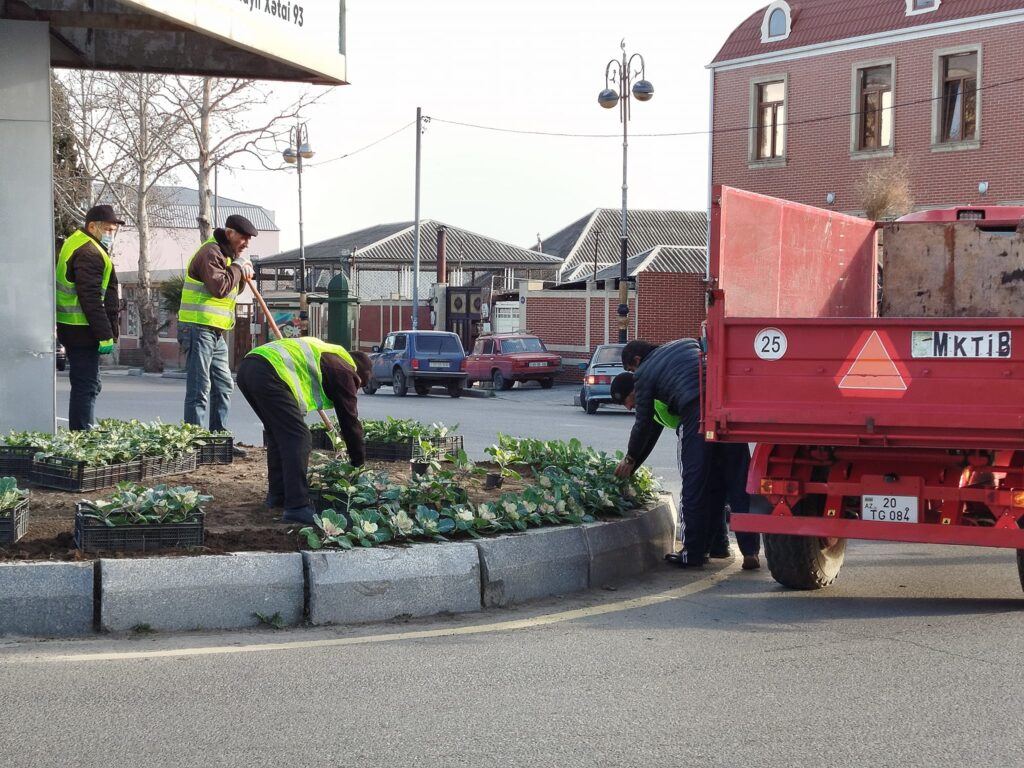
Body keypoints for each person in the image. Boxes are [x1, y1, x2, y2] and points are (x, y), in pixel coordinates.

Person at [610, 356, 761, 570]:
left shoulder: (648, 387)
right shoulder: (669, 368)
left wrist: (630, 459)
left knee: (694, 486)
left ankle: (694, 551)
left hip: (696, 422)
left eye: (626, 402)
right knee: (732, 484)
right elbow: (650, 436)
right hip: (723, 411)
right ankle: (744, 549)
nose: (629, 408)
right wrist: (633, 465)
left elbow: (645, 429)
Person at [236, 336, 373, 525]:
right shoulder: (344, 371)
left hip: (249, 368)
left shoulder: (328, 354)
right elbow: (350, 422)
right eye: (359, 386)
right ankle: (297, 507)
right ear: (359, 375)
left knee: (279, 435)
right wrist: (358, 464)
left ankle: (278, 496)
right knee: (299, 438)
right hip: (268, 371)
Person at [177, 214, 257, 453]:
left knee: (223, 385)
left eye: (248, 239)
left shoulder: (228, 256)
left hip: (215, 331)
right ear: (230, 233)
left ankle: (218, 441)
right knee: (199, 388)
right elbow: (220, 287)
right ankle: (194, 444)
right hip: (197, 328)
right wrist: (238, 266)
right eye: (243, 238)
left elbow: (233, 285)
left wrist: (241, 269)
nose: (246, 243)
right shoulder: (210, 253)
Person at [55, 204, 124, 430]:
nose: (110, 235)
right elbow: (91, 298)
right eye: (108, 230)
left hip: (74, 328)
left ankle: (82, 432)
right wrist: (105, 335)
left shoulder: (76, 242)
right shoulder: (90, 252)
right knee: (87, 385)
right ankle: (82, 436)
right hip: (83, 330)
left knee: (87, 384)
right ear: (92, 226)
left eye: (113, 231)